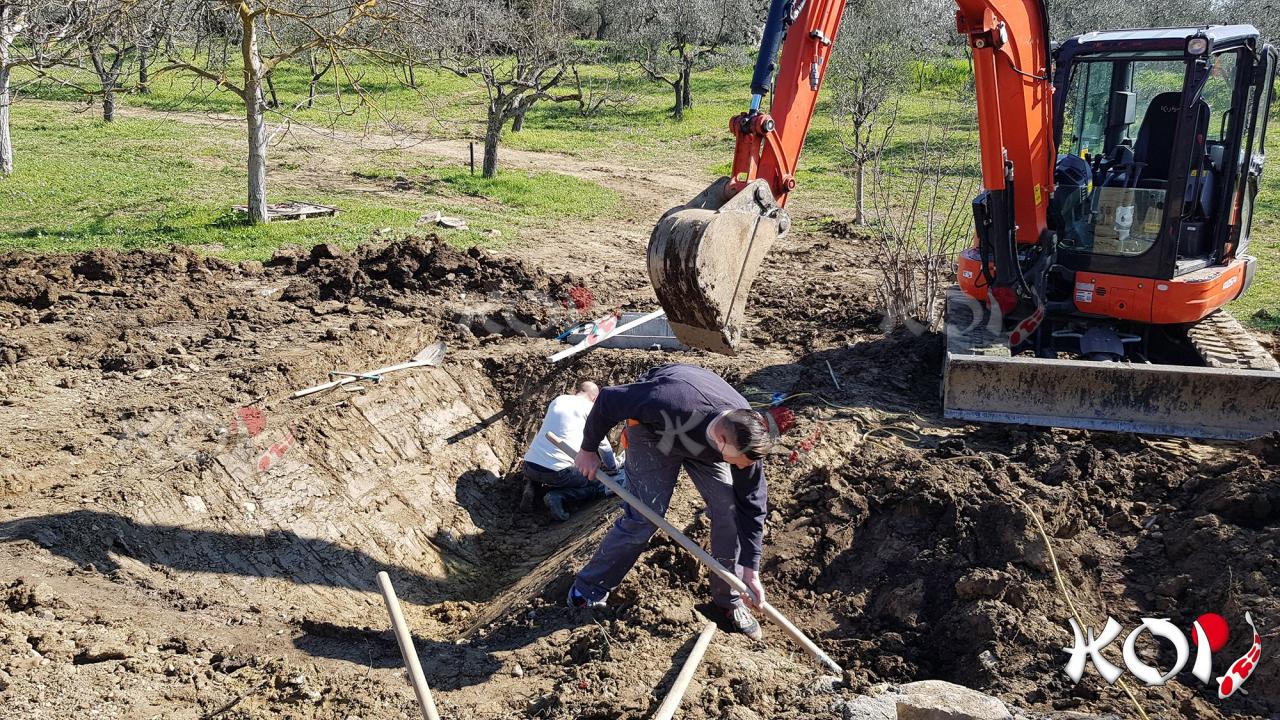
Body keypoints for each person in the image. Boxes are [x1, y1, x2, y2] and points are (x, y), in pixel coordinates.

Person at [565, 364, 777, 640]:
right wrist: (588, 449)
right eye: (736, 460)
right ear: (721, 439)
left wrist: (751, 569)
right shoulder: (668, 399)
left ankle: (729, 599)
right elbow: (609, 399)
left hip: (700, 441)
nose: (739, 467)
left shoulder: (745, 437)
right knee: (645, 514)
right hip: (656, 431)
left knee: (732, 511)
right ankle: (588, 589)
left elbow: (752, 503)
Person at [522, 381, 618, 521]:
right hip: (558, 473)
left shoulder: (558, 400)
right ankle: (557, 496)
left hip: (529, 466)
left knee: (544, 463)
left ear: (578, 391)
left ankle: (531, 487)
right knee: (597, 483)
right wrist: (612, 469)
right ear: (595, 398)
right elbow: (604, 447)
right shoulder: (591, 409)